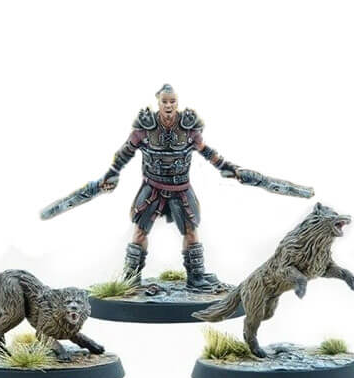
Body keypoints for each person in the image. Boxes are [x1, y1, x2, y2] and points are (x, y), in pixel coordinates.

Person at [99, 83, 250, 290]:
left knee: (191, 231)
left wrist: (226, 167)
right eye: (165, 101)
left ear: (177, 103)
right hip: (153, 187)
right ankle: (131, 278)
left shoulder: (188, 127)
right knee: (140, 231)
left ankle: (196, 277)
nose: (169, 105)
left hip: (181, 188)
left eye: (172, 101)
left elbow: (206, 151)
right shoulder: (145, 127)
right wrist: (113, 172)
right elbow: (126, 151)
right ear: (158, 102)